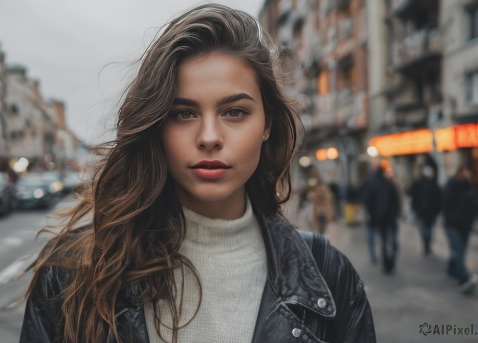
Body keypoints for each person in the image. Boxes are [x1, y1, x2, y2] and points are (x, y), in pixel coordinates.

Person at [20, 4, 376, 343]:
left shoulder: (329, 276)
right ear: (156, 125)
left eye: (234, 112)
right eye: (183, 114)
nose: (208, 137)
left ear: (267, 123)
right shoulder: (71, 272)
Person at [442, 166, 478, 294]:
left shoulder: (468, 187)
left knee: (459, 251)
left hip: (465, 226)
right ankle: (463, 279)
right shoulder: (452, 185)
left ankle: (452, 270)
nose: (468, 175)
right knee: (458, 251)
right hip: (453, 225)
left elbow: (472, 204)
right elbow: (446, 204)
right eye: (466, 172)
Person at [363, 164, 400, 274]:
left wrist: (373, 216)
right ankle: (390, 262)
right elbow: (396, 201)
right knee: (392, 242)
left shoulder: (372, 185)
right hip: (390, 218)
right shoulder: (389, 185)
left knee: (384, 242)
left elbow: (369, 203)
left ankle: (385, 263)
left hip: (381, 219)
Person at [409, 165, 442, 255]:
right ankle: (427, 244)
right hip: (425, 211)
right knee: (427, 228)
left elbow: (438, 198)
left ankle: (426, 244)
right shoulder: (422, 184)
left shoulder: (428, 184)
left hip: (426, 211)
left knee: (426, 228)